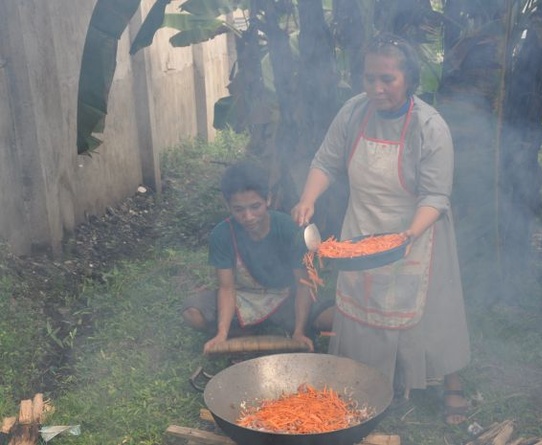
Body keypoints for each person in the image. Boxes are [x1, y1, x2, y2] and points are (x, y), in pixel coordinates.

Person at [291, 33, 471, 425]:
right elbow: (325, 161)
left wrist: (407, 236)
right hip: (361, 229)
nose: (377, 88)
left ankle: (451, 384)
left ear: (408, 78)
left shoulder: (429, 125)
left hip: (419, 229)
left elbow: (436, 196)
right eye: (370, 78)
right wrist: (309, 198)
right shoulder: (353, 112)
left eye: (387, 79)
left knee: (433, 309)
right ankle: (365, 384)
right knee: (363, 311)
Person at [182, 160, 334, 355]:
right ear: (227, 205)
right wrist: (221, 334)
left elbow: (303, 284)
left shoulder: (289, 229)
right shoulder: (222, 234)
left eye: (255, 207)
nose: (248, 216)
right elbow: (227, 288)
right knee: (192, 314)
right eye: (239, 209)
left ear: (268, 199)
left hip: (285, 297)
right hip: (243, 297)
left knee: (332, 319)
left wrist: (299, 331)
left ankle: (280, 327)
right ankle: (240, 331)